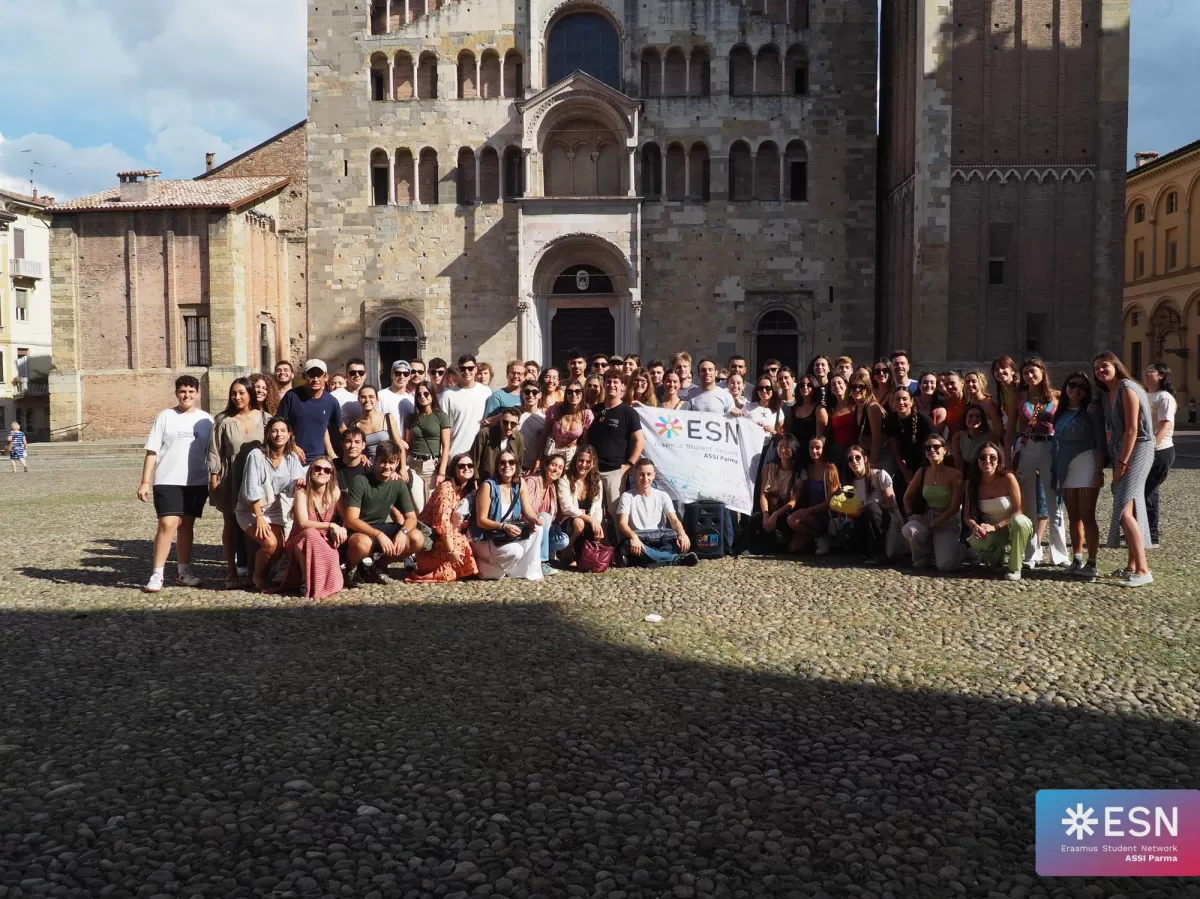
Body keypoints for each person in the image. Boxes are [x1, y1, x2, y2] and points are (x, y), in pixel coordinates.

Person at [137, 376, 214, 593]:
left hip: (196, 481)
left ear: (197, 394)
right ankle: (157, 573)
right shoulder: (165, 417)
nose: (186, 395)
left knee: (187, 526)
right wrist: (145, 481)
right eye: (182, 391)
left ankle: (183, 571)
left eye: (191, 391)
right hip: (167, 480)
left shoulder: (206, 420)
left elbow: (214, 453)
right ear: (176, 393)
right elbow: (152, 450)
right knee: (168, 524)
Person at [1094, 352, 1154, 587]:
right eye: (1097, 368)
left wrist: (1122, 464)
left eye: (1104, 366)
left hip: (1138, 448)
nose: (1101, 370)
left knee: (1123, 511)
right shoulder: (1110, 392)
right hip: (1124, 450)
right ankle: (1132, 565)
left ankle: (1143, 569)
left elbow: (1132, 430)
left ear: (1116, 365)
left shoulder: (1127, 388)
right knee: (1132, 507)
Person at [1006, 356, 1068, 568]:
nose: (1030, 376)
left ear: (1042, 373)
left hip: (1051, 448)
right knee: (1028, 502)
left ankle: (1059, 554)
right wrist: (1007, 454)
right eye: (1025, 373)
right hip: (1026, 447)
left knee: (1055, 501)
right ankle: (1032, 553)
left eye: (1033, 371)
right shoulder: (1019, 397)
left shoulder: (1057, 397)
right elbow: (1010, 429)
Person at [206, 378, 269, 588]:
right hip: (231, 478)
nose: (237, 397)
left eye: (241, 392)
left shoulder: (266, 419)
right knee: (231, 525)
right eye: (233, 393)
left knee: (252, 525)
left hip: (256, 479)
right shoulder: (223, 420)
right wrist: (213, 479)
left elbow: (279, 442)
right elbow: (215, 451)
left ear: (250, 393)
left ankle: (252, 571)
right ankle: (231, 572)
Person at [237, 416, 305, 591]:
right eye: (274, 431)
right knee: (270, 544)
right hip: (251, 509)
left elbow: (295, 485)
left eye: (283, 431)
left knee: (281, 546)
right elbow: (251, 487)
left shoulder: (291, 458)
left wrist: (298, 484)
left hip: (274, 508)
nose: (278, 434)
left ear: (289, 434)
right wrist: (259, 516)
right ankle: (257, 576)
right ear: (268, 434)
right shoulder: (256, 455)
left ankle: (262, 571)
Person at [343, 441, 424, 586]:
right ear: (375, 460)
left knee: (417, 538)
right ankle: (350, 569)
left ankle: (378, 567)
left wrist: (403, 532)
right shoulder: (360, 481)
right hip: (359, 529)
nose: (387, 466)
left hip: (381, 526)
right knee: (363, 543)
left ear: (398, 462)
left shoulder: (398, 484)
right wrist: (379, 535)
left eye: (391, 462)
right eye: (383, 461)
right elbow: (351, 519)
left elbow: (411, 517)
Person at [1051, 372, 1105, 579]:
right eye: (1072, 385)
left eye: (1081, 387)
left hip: (1086, 462)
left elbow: (1100, 442)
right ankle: (1077, 558)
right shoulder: (1061, 411)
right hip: (1066, 464)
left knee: (1087, 515)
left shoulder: (1092, 411)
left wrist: (1099, 471)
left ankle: (1092, 562)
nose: (1076, 389)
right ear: (1065, 388)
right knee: (1073, 516)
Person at [277, 454, 347, 599]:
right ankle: (306, 582)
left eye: (327, 470)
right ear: (311, 470)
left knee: (329, 550)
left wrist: (343, 529)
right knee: (310, 534)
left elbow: (346, 516)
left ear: (331, 475)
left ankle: (321, 584)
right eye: (318, 468)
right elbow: (303, 523)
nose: (322, 472)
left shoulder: (334, 492)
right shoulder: (302, 490)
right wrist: (331, 525)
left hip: (323, 539)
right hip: (299, 540)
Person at [963, 443, 1032, 581]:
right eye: (982, 457)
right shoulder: (974, 483)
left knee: (1020, 522)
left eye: (992, 457)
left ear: (999, 460)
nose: (987, 461)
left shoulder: (1008, 478)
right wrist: (975, 526)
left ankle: (1014, 568)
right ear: (977, 460)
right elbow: (967, 516)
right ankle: (996, 558)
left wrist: (996, 527)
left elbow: (1019, 510)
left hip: (1011, 526)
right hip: (990, 529)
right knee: (976, 541)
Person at [408, 452, 479, 584]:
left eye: (470, 465)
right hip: (431, 543)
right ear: (453, 469)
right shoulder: (446, 489)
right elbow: (442, 524)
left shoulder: (464, 491)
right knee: (458, 541)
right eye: (461, 466)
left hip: (444, 539)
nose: (467, 468)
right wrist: (451, 551)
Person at [472, 449, 543, 580]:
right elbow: (481, 521)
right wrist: (503, 526)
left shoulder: (520, 483)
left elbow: (527, 510)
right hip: (489, 536)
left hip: (508, 534)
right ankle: (488, 568)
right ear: (497, 465)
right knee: (516, 551)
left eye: (511, 462)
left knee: (537, 529)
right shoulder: (488, 486)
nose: (507, 466)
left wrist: (535, 519)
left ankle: (523, 571)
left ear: (516, 465)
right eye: (502, 463)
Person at [616, 459, 698, 567]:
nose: (645, 478)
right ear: (636, 475)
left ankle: (652, 559)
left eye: (649, 474)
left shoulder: (662, 495)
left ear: (654, 475)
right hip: (639, 540)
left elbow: (674, 520)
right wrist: (634, 537)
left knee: (683, 543)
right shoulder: (627, 496)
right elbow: (622, 523)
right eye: (641, 474)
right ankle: (675, 559)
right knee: (630, 545)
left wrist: (682, 534)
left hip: (660, 540)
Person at [901, 434, 964, 571]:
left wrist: (936, 522)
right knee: (909, 529)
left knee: (945, 565)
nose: (932, 450)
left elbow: (954, 507)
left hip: (947, 520)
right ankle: (924, 557)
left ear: (945, 450)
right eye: (928, 447)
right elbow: (907, 497)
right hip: (927, 516)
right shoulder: (922, 472)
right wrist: (911, 514)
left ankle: (961, 550)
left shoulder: (955, 474)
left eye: (936, 447)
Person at [588, 369, 645, 521]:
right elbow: (586, 437)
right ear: (603, 385)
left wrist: (629, 465)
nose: (611, 385)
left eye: (615, 382)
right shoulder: (594, 410)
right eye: (608, 382)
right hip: (593, 470)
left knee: (615, 512)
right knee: (595, 511)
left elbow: (640, 440)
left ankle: (620, 543)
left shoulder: (628, 412)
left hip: (615, 471)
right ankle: (600, 543)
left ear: (622, 387)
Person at [276, 359, 344, 465]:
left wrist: (359, 450)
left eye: (319, 375)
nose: (315, 379)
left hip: (318, 462)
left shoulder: (331, 402)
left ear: (326, 377)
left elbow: (340, 428)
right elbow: (278, 425)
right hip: (292, 458)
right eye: (311, 375)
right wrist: (292, 446)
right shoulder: (292, 396)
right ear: (304, 376)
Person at [844, 444, 897, 564]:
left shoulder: (879, 475)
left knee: (871, 509)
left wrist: (868, 506)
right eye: (850, 459)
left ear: (865, 458)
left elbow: (891, 504)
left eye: (858, 458)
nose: (854, 461)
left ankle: (879, 553)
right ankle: (866, 552)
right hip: (861, 520)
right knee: (845, 531)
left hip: (882, 518)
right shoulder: (849, 483)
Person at [786, 435, 839, 554]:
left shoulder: (830, 470)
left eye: (818, 448)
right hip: (809, 515)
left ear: (824, 449)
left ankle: (826, 537)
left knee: (792, 520)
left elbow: (831, 502)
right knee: (794, 548)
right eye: (811, 448)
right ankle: (818, 538)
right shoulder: (808, 469)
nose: (814, 451)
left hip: (825, 515)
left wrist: (808, 510)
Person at [1142, 363, 1177, 549]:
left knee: (1149, 492)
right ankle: (1141, 528)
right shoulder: (1144, 394)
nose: (1146, 374)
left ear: (1162, 376)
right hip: (1145, 449)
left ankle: (1151, 534)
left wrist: (1151, 447)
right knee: (1141, 491)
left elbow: (1164, 426)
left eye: (1151, 372)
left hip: (1160, 450)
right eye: (1146, 371)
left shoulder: (1164, 398)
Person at [750, 434, 800, 552]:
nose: (782, 450)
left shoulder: (798, 472)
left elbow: (794, 501)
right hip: (769, 510)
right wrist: (766, 514)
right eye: (780, 446)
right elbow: (763, 494)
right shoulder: (769, 467)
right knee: (755, 519)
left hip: (785, 512)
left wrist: (776, 514)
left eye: (786, 446)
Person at [885, 386, 937, 500]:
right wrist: (908, 477)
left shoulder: (923, 419)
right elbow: (896, 452)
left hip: (926, 463)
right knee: (899, 491)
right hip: (905, 466)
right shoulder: (891, 420)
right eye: (897, 399)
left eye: (904, 399)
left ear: (911, 401)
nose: (901, 402)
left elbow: (936, 447)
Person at [557, 445, 606, 562]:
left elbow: (598, 508)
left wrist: (596, 524)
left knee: (599, 529)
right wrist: (590, 520)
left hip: (588, 522)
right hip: (568, 521)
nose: (584, 465)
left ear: (593, 463)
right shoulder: (565, 478)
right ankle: (567, 550)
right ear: (575, 460)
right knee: (579, 522)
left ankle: (585, 554)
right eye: (581, 460)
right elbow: (567, 507)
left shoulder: (597, 481)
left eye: (588, 461)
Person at [441, 354, 493, 458]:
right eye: (463, 369)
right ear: (459, 370)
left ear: (475, 369)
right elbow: (443, 428)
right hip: (455, 453)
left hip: (481, 454)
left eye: (470, 368)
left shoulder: (486, 392)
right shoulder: (448, 395)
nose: (467, 372)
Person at [525, 453, 570, 574]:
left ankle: (538, 553)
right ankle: (541, 562)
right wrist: (538, 520)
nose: (556, 469)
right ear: (546, 465)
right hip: (528, 527)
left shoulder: (552, 488)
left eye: (560, 467)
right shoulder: (532, 482)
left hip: (543, 530)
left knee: (563, 540)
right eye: (553, 465)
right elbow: (524, 509)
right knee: (544, 516)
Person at [405, 382, 451, 497]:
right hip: (413, 465)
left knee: (430, 507)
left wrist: (441, 472)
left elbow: (446, 447)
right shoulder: (411, 417)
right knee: (419, 508)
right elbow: (407, 443)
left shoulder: (441, 417)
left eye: (426, 393)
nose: (422, 397)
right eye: (419, 395)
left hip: (432, 466)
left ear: (432, 394)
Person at [536, 380, 594, 466]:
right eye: (570, 392)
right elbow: (544, 434)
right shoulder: (555, 410)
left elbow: (585, 442)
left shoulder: (586, 414)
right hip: (551, 452)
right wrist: (538, 460)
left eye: (577, 391)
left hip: (571, 455)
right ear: (566, 394)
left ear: (582, 394)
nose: (574, 394)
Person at [355, 384, 407, 465]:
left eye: (371, 396)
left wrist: (403, 469)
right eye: (363, 397)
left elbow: (400, 446)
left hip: (389, 464)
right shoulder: (356, 425)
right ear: (359, 400)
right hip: (369, 465)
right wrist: (361, 455)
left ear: (377, 399)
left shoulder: (387, 418)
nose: (367, 400)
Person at [471, 406, 526, 481]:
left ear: (518, 425)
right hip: (485, 481)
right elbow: (474, 460)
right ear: (500, 421)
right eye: (505, 422)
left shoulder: (519, 438)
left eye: (513, 424)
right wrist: (475, 483)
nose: (508, 427)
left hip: (506, 482)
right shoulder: (485, 434)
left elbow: (518, 465)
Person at [847, 372, 884, 468]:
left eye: (861, 386)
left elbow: (876, 440)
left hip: (881, 456)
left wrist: (872, 465)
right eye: (853, 387)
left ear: (868, 388)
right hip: (865, 456)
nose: (857, 390)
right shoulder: (856, 408)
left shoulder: (872, 407)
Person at [825, 374, 856, 477]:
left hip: (854, 451)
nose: (837, 386)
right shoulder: (830, 409)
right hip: (836, 452)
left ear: (846, 385)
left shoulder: (855, 404)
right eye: (833, 384)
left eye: (839, 383)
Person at [962, 369, 1004, 441]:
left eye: (974, 381)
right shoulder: (968, 403)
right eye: (967, 382)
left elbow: (999, 430)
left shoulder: (988, 404)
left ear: (981, 383)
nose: (970, 384)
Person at [789, 375, 828, 449]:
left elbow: (820, 437)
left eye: (809, 385)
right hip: (795, 452)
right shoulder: (794, 409)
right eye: (802, 385)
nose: (805, 387)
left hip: (812, 452)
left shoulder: (819, 409)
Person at [951, 404, 989, 477]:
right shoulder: (957, 437)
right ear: (965, 418)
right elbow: (958, 463)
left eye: (978, 416)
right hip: (966, 473)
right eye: (970, 416)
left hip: (984, 473)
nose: (974, 419)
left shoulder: (989, 436)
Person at [516, 380, 545, 472]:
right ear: (522, 394)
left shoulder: (544, 419)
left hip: (535, 468)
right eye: (527, 392)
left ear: (540, 395)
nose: (531, 395)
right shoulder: (515, 414)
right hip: (515, 465)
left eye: (535, 392)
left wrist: (537, 464)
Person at [334, 426, 372, 490]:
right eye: (348, 441)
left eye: (357, 442)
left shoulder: (369, 471)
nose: (352, 446)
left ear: (363, 445)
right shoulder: (331, 467)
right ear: (342, 444)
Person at [332, 357, 368, 424]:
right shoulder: (335, 396)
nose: (357, 375)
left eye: (361, 372)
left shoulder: (372, 396)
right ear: (346, 375)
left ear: (365, 375)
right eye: (352, 373)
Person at [940, 370, 968, 437]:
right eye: (946, 384)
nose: (949, 387)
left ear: (962, 383)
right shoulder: (945, 403)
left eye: (952, 383)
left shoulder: (970, 402)